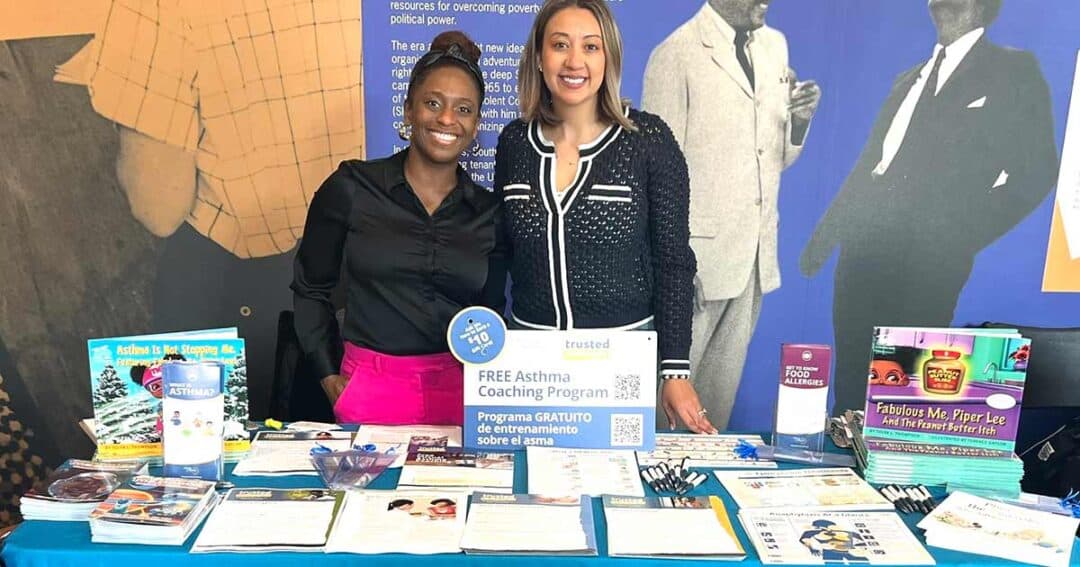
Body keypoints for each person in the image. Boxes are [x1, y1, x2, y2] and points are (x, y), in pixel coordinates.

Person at [61, 0, 367, 420]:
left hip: (238, 296)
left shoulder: (157, 7)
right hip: (392, 294)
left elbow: (158, 204)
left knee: (198, 476)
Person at [800, 0, 1057, 414]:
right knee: (851, 382)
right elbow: (873, 163)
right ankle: (845, 467)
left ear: (982, 7)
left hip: (929, 260)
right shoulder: (907, 80)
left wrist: (961, 233)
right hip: (863, 248)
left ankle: (891, 475)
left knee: (901, 389)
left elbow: (1037, 172)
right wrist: (826, 238)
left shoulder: (1013, 71)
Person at [496, 0, 715, 433]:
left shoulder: (647, 139)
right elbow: (499, 251)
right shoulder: (515, 142)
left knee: (612, 487)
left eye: (591, 47)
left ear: (609, 58)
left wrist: (674, 372)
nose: (574, 61)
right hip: (529, 364)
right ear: (539, 58)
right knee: (530, 491)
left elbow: (673, 260)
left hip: (620, 357)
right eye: (560, 45)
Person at [292, 31, 506, 426]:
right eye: (432, 103)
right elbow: (310, 288)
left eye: (463, 109)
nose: (446, 119)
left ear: (476, 126)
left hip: (463, 394)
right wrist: (329, 378)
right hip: (369, 389)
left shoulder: (489, 212)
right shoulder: (351, 187)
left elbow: (491, 312)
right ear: (408, 110)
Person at [642, 0, 821, 429]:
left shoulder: (775, 45)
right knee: (663, 406)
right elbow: (652, 173)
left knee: (715, 407)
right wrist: (673, 266)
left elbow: (771, 159)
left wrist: (798, 122)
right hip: (694, 265)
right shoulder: (675, 54)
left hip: (754, 253)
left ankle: (696, 489)